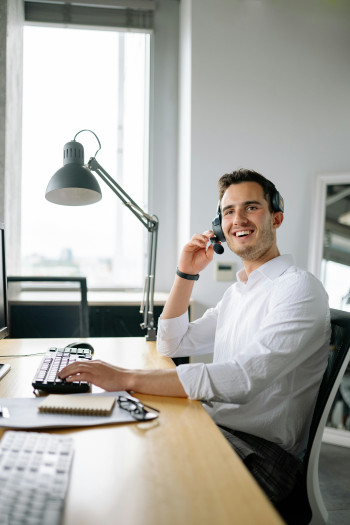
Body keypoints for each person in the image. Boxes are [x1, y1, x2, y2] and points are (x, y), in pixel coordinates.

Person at [59, 168, 331, 504]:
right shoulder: (239, 294)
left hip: (263, 455)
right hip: (219, 429)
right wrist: (186, 272)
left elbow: (244, 379)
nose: (238, 219)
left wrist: (127, 377)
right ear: (219, 227)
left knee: (139, 482)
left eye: (251, 207)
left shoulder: (298, 288)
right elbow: (172, 344)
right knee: (122, 448)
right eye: (228, 211)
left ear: (276, 218)